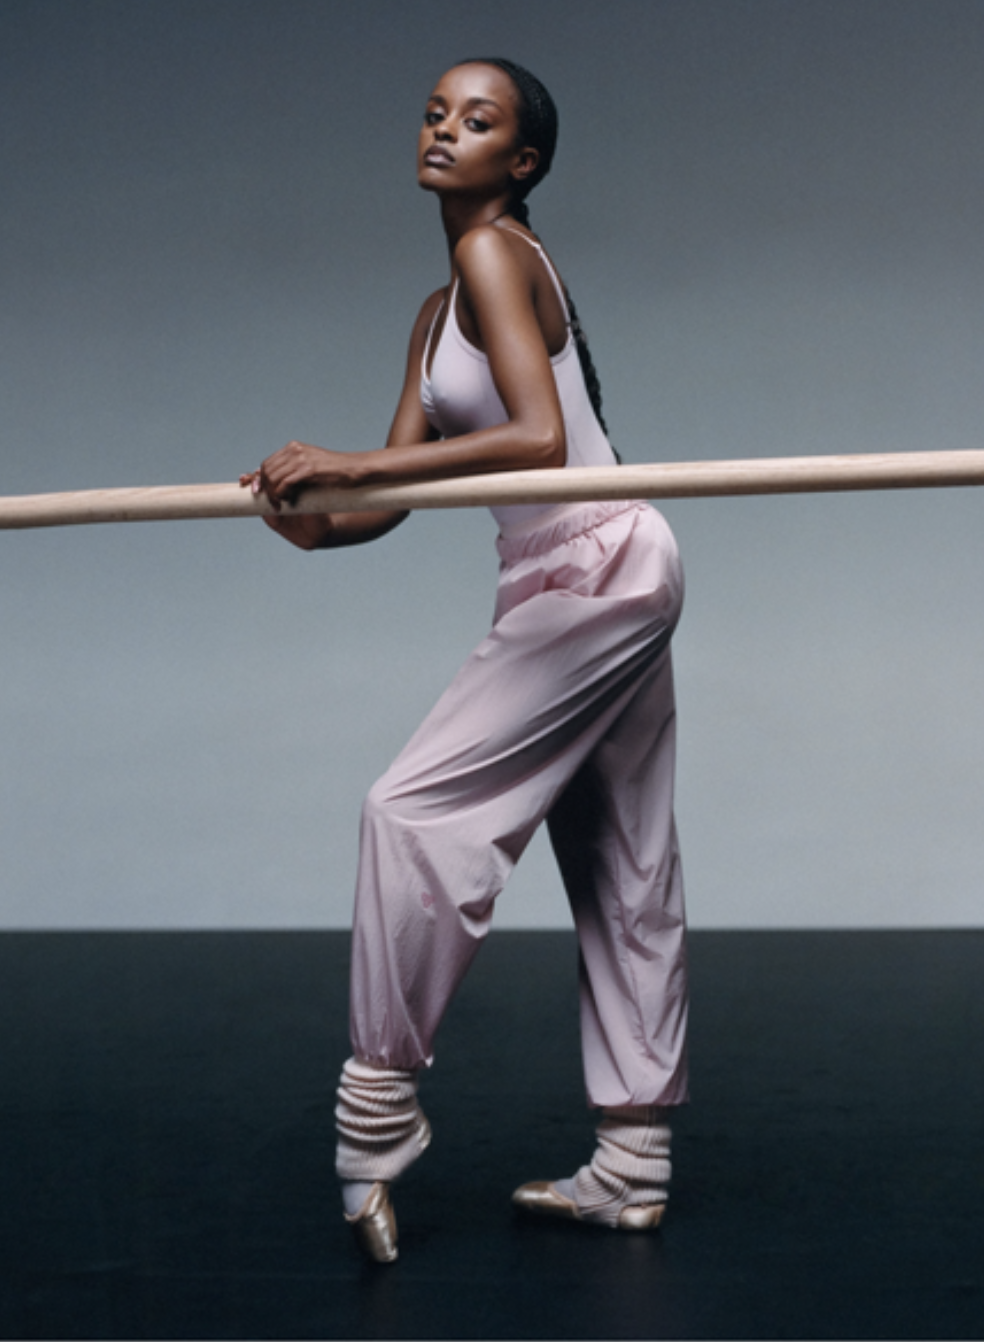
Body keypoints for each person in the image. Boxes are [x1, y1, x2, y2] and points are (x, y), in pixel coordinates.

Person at [241, 57, 689, 1264]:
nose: (446, 131)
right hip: (564, 569)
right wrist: (318, 517)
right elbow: (390, 499)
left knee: (410, 811)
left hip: (600, 558)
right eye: (436, 113)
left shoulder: (498, 253)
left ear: (522, 162)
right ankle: (633, 1163)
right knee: (619, 859)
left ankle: (378, 1105)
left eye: (478, 120)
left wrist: (349, 461)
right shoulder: (435, 309)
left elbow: (539, 440)